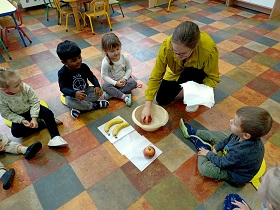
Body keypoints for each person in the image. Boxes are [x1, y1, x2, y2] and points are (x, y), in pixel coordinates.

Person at [141, 21, 220, 123]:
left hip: (196, 73)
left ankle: (194, 95)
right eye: (175, 51)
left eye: (183, 53)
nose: (178, 56)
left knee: (191, 72)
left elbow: (213, 78)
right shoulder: (167, 46)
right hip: (177, 72)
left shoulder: (208, 49)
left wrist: (197, 92)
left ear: (194, 47)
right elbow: (156, 75)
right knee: (162, 99)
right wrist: (147, 105)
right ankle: (186, 90)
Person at [180, 106, 272, 186]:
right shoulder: (244, 136)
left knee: (205, 169)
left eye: (235, 123)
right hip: (233, 157)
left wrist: (209, 154)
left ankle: (204, 147)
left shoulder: (241, 152)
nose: (230, 121)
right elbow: (228, 139)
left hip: (234, 173)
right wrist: (216, 148)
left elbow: (222, 163)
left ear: (246, 135)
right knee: (221, 135)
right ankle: (193, 132)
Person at [0, 68, 68, 147]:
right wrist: (21, 120)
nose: (21, 85)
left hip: (32, 108)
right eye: (16, 85)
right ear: (4, 89)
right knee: (16, 132)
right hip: (18, 115)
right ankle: (43, 124)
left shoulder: (25, 88)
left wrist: (34, 117)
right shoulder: (1, 98)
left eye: (20, 81)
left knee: (48, 113)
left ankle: (56, 136)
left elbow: (35, 101)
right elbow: (6, 114)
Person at [57, 40, 109, 118]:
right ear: (64, 62)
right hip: (73, 96)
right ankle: (94, 105)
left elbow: (91, 76)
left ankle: (79, 108)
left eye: (79, 57)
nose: (78, 61)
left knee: (100, 90)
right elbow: (63, 88)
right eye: (74, 60)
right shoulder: (62, 73)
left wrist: (97, 86)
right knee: (69, 102)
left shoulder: (83, 66)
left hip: (86, 91)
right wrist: (74, 93)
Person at [101, 33, 137, 107]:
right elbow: (104, 76)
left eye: (118, 49)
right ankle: (124, 97)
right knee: (104, 86)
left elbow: (129, 69)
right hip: (112, 84)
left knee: (133, 83)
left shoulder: (124, 57)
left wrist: (125, 78)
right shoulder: (105, 62)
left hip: (124, 83)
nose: (116, 53)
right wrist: (115, 83)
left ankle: (112, 95)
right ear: (105, 51)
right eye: (112, 51)